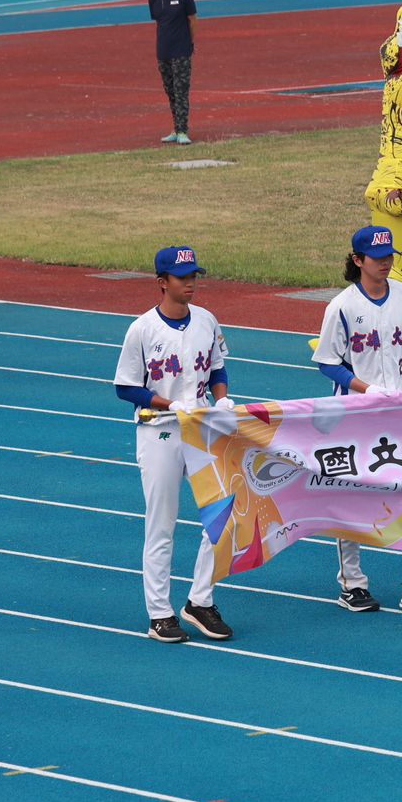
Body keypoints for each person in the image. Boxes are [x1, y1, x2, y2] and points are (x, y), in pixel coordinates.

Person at [312, 225, 402, 615]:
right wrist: (366, 389)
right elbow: (327, 362)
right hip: (355, 418)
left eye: (389, 255)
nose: (385, 262)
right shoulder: (341, 306)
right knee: (352, 500)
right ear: (358, 260)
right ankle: (352, 585)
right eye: (377, 257)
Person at [112, 245, 235, 643]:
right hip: (160, 432)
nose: (191, 283)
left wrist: (222, 399)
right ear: (162, 282)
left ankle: (200, 601)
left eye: (194, 275)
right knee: (162, 525)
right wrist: (168, 403)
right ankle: (159, 614)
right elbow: (125, 387)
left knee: (222, 517)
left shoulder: (207, 320)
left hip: (202, 430)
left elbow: (217, 368)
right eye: (182, 277)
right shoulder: (142, 329)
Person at [148, 0, 196, 143]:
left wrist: (190, 43)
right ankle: (176, 128)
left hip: (181, 51)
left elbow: (192, 21)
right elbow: (159, 21)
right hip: (163, 52)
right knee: (170, 91)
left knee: (181, 91)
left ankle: (182, 131)